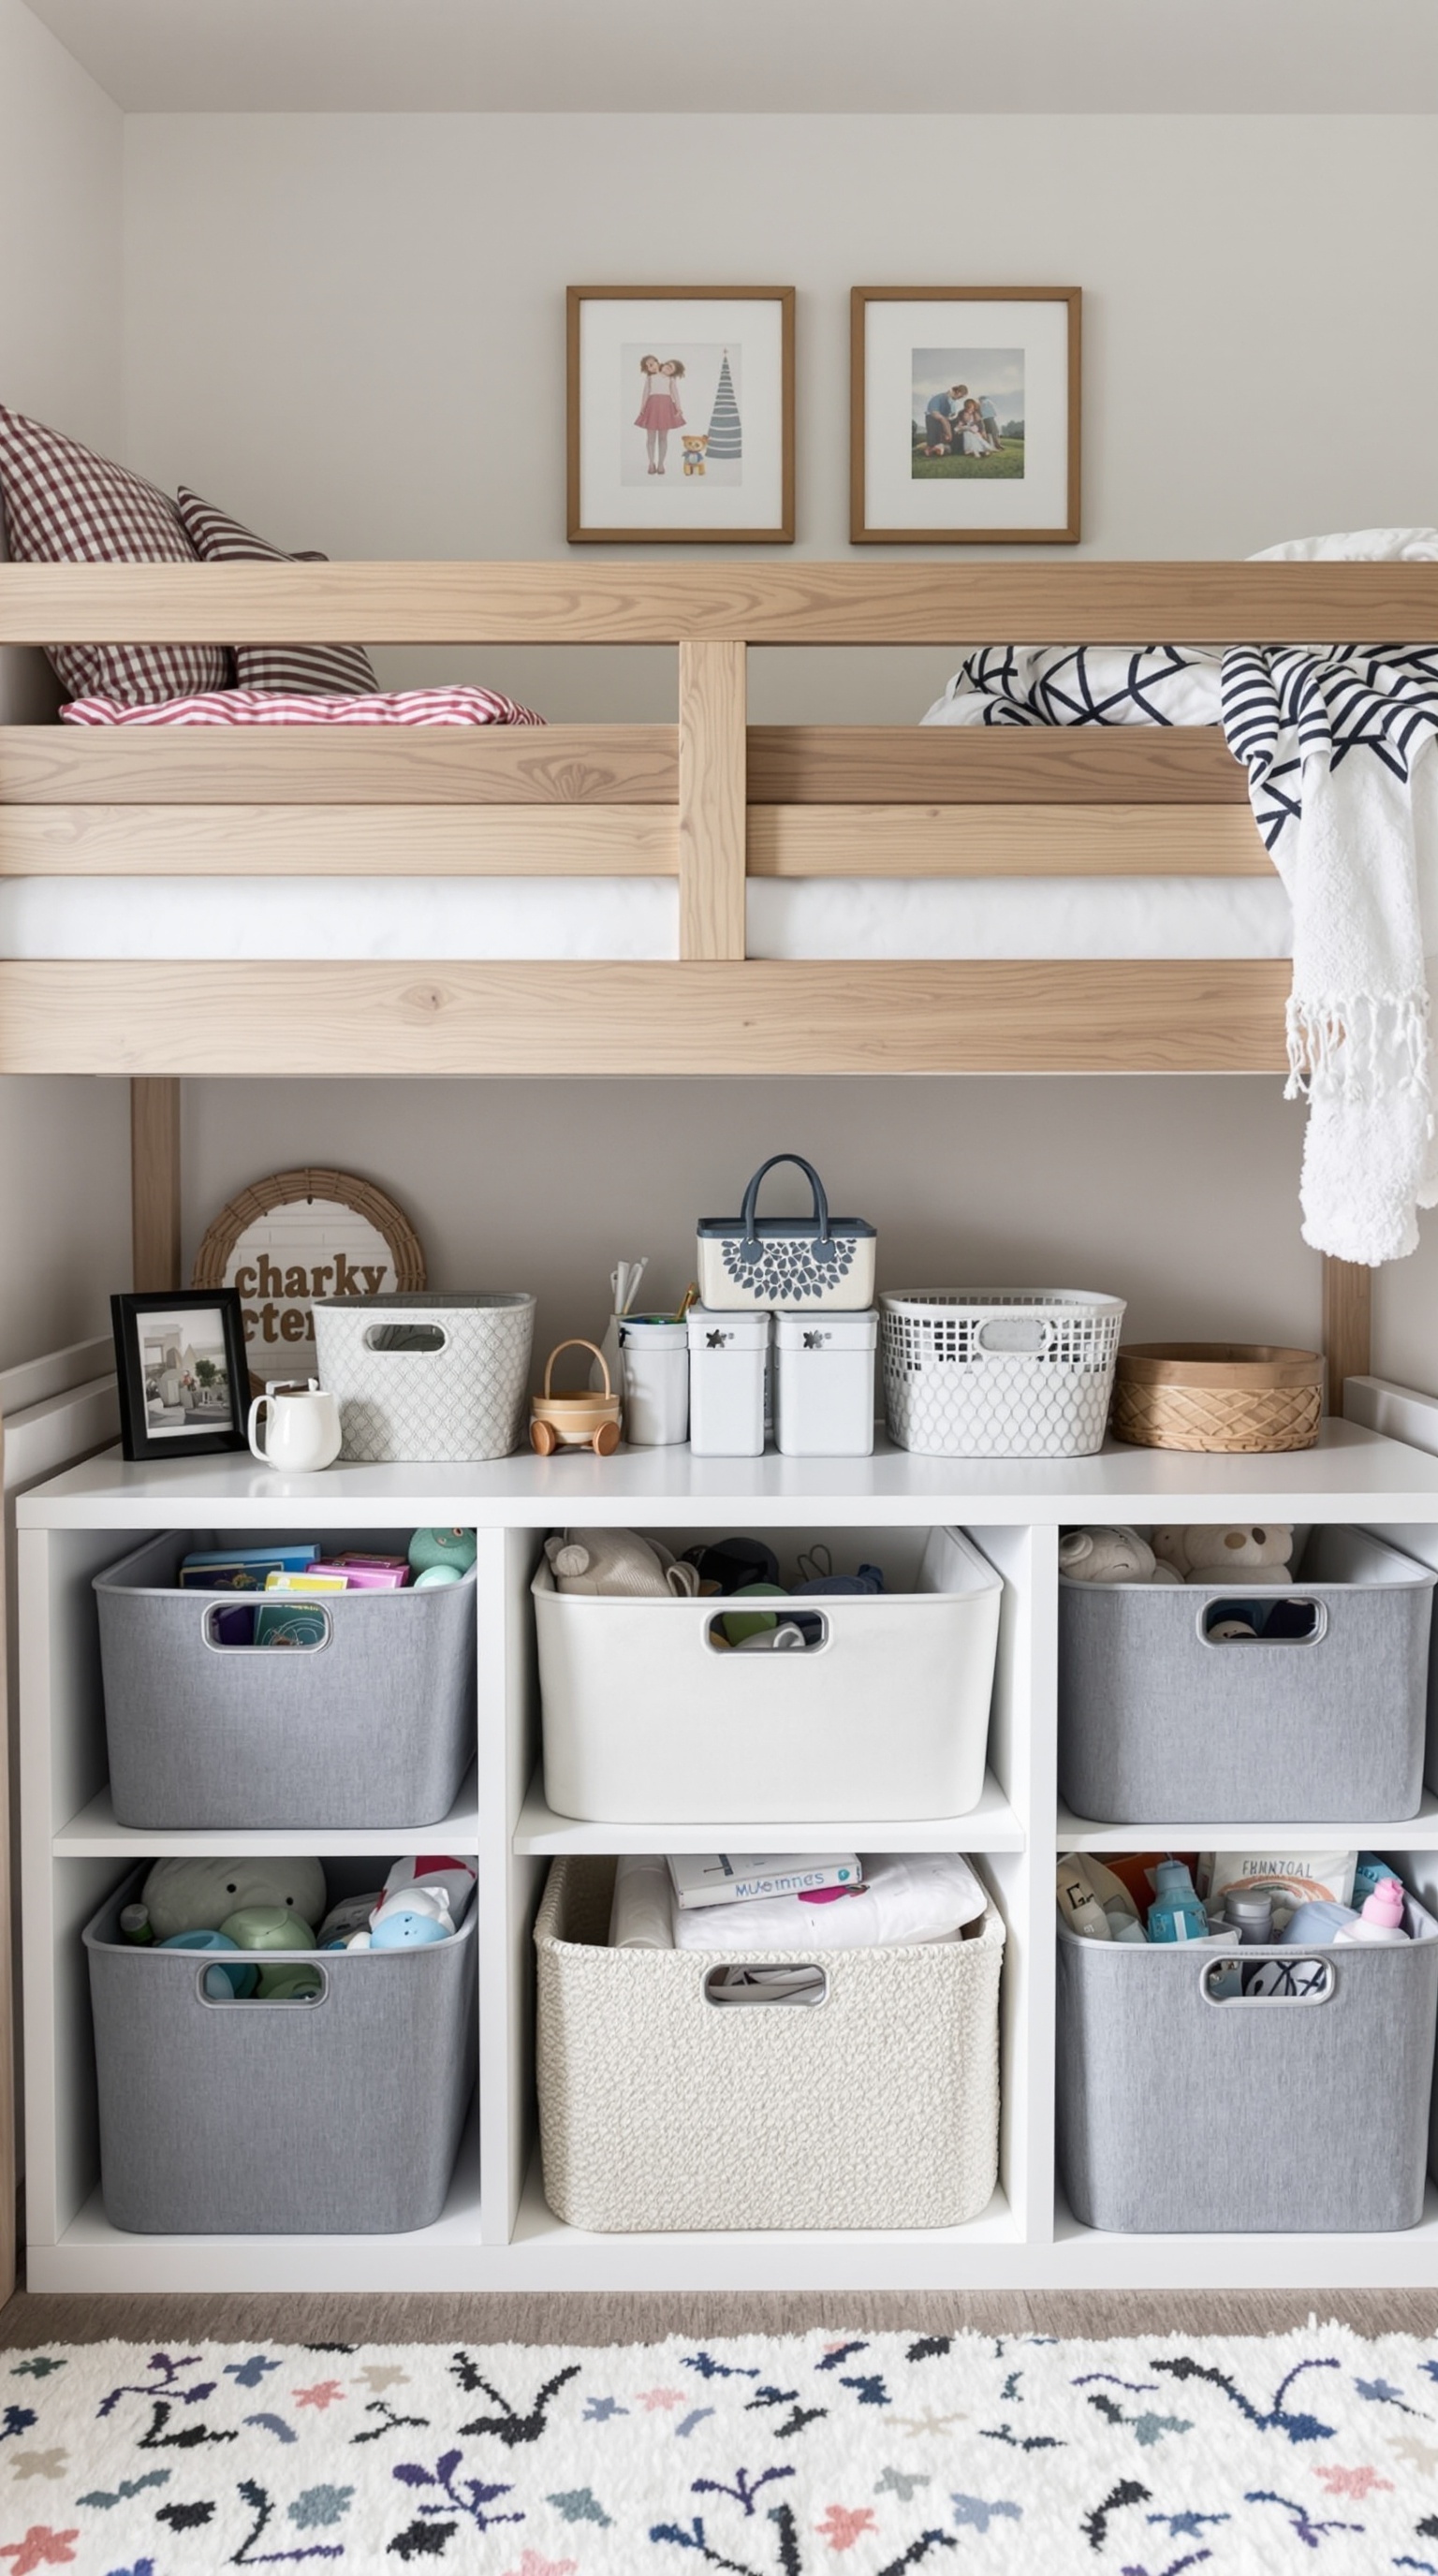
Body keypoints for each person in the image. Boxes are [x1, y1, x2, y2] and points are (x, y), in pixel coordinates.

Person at [636, 356, 686, 476]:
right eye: (648, 366)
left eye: (652, 364)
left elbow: (675, 393)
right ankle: (651, 463)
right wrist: (642, 407)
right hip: (652, 407)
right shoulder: (650, 378)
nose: (651, 367)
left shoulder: (670, 379)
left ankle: (661, 464)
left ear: (658, 363)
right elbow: (645, 392)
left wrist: (679, 407)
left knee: (663, 438)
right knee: (651, 438)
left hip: (666, 407)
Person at [922, 382, 968, 457]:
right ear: (958, 392)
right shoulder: (940, 398)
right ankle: (932, 447)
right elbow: (939, 417)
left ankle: (950, 447)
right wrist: (948, 433)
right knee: (936, 433)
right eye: (961, 396)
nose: (960, 398)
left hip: (946, 421)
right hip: (933, 419)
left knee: (957, 428)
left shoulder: (953, 402)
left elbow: (950, 417)